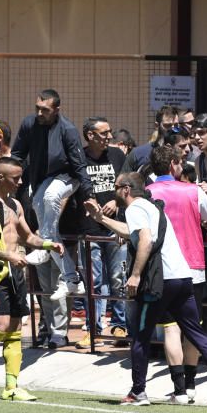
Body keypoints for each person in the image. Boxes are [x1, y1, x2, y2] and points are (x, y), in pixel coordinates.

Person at [89, 172, 207, 408]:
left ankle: (138, 392)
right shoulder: (151, 208)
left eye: (116, 187)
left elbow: (145, 240)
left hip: (160, 282)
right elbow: (132, 232)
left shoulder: (135, 208)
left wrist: (135, 275)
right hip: (183, 277)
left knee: (140, 336)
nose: (113, 192)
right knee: (195, 332)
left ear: (126, 189)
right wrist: (102, 219)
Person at [0, 156, 64, 401]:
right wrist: (8, 255)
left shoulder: (16, 205)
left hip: (16, 273)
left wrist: (49, 244)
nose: (19, 182)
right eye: (15, 178)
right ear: (0, 178)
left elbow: (27, 236)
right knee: (0, 327)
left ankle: (11, 387)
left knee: (16, 329)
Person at [147, 145, 207, 403]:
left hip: (164, 270)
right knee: (193, 328)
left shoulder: (147, 193)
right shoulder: (192, 190)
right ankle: (191, 386)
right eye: (180, 161)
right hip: (194, 266)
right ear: (172, 165)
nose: (183, 165)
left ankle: (180, 390)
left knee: (170, 329)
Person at [11, 89, 98, 299]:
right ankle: (71, 278)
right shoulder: (29, 124)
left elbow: (80, 166)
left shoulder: (67, 129)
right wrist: (6, 176)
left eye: (45, 110)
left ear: (57, 110)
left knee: (50, 197)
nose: (40, 113)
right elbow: (17, 154)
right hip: (43, 181)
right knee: (38, 205)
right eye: (37, 109)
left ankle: (45, 245)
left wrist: (89, 194)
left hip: (68, 177)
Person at [77, 117, 128, 347]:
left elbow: (127, 185)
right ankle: (94, 329)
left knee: (118, 278)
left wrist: (117, 203)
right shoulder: (78, 157)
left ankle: (120, 326)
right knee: (93, 281)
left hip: (115, 228)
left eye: (110, 132)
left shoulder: (117, 155)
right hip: (89, 229)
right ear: (90, 135)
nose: (109, 136)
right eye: (104, 133)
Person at [122, 105, 180, 174]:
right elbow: (122, 182)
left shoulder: (185, 153)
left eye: (176, 126)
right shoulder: (138, 154)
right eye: (167, 125)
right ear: (156, 126)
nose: (172, 130)